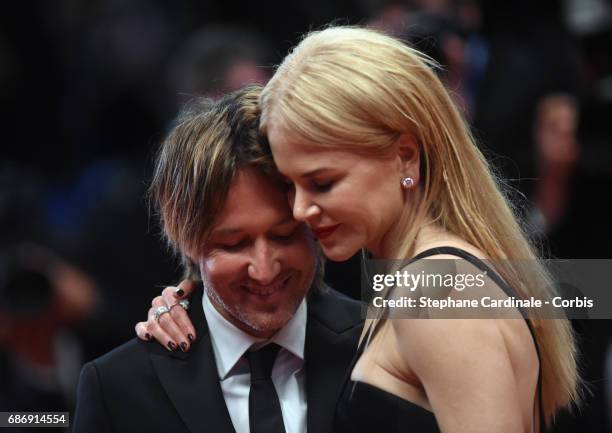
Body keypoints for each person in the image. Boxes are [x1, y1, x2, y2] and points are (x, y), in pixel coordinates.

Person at [142, 27, 579, 432]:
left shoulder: (437, 291)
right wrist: (197, 297)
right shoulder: (420, 279)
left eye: (322, 183)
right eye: (291, 185)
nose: (301, 209)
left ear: (405, 157)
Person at [72, 86, 363, 433]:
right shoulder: (117, 387)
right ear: (187, 241)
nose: (265, 268)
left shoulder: (381, 343)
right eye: (234, 244)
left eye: (284, 235)